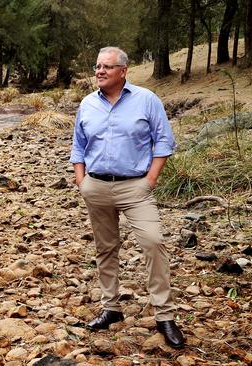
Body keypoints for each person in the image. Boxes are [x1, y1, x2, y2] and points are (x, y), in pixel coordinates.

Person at [69, 46, 184, 348]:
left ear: (123, 71)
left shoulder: (146, 100)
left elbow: (164, 140)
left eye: (106, 67)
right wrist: (82, 182)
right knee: (105, 249)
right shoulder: (87, 104)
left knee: (153, 242)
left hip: (135, 188)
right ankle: (111, 309)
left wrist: (151, 179)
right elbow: (78, 146)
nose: (99, 72)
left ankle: (165, 316)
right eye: (97, 66)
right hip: (96, 187)